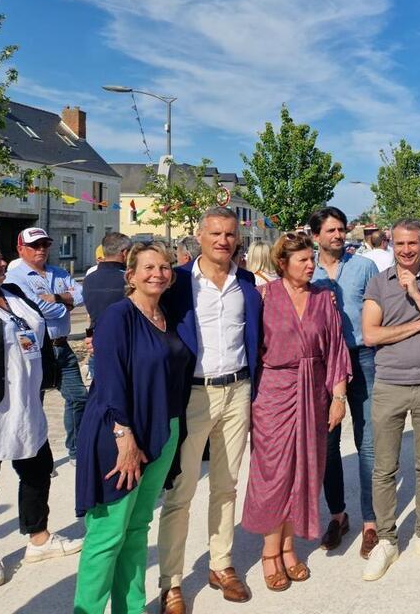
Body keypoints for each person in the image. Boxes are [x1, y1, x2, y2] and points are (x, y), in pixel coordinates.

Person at [73, 242, 192, 614]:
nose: (158, 273)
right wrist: (124, 437)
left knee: (138, 527)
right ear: (130, 275)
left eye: (165, 267)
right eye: (149, 267)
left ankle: (132, 608)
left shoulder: (168, 315)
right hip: (121, 434)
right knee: (107, 534)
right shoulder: (118, 316)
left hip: (163, 431)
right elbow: (108, 383)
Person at [157, 207, 263, 613]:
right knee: (181, 492)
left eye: (230, 234)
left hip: (238, 390)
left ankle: (221, 564)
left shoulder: (247, 282)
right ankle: (171, 582)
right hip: (193, 396)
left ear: (238, 239)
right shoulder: (178, 283)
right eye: (215, 233)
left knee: (226, 484)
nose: (223, 240)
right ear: (199, 236)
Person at [242, 232, 350, 591]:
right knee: (274, 473)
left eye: (311, 259)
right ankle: (269, 552)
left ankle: (289, 547)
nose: (311, 265)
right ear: (282, 264)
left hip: (315, 391)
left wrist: (338, 397)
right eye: (302, 260)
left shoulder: (324, 298)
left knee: (305, 470)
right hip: (274, 392)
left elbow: (336, 349)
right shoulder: (263, 297)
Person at [0, 240, 79, 591]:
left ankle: (39, 537)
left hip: (28, 401)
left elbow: (43, 324)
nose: (3, 262)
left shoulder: (14, 292)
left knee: (37, 470)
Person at [361, 218, 420, 581]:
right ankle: (386, 538)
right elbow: (370, 335)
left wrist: (416, 294)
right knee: (384, 468)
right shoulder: (377, 282)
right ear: (391, 244)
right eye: (399, 244)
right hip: (389, 384)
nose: (406, 250)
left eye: (412, 243)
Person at [308, 207, 380, 559]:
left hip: (362, 358)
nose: (338, 235)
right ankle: (338, 515)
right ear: (316, 235)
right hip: (324, 367)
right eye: (331, 230)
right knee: (328, 443)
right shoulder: (309, 270)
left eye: (342, 229)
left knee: (367, 441)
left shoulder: (364, 267)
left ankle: (370, 521)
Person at [6, 227, 86, 460]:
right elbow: (37, 309)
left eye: (45, 245)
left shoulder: (59, 272)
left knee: (78, 397)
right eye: (35, 245)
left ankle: (76, 449)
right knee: (34, 404)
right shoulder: (15, 278)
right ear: (21, 249)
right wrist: (67, 304)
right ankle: (35, 456)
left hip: (63, 345)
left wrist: (59, 298)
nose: (41, 249)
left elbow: (83, 294)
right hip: (37, 347)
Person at [83, 233, 132, 334]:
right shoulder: (129, 278)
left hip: (97, 334)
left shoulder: (89, 278)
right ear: (125, 253)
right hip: (124, 335)